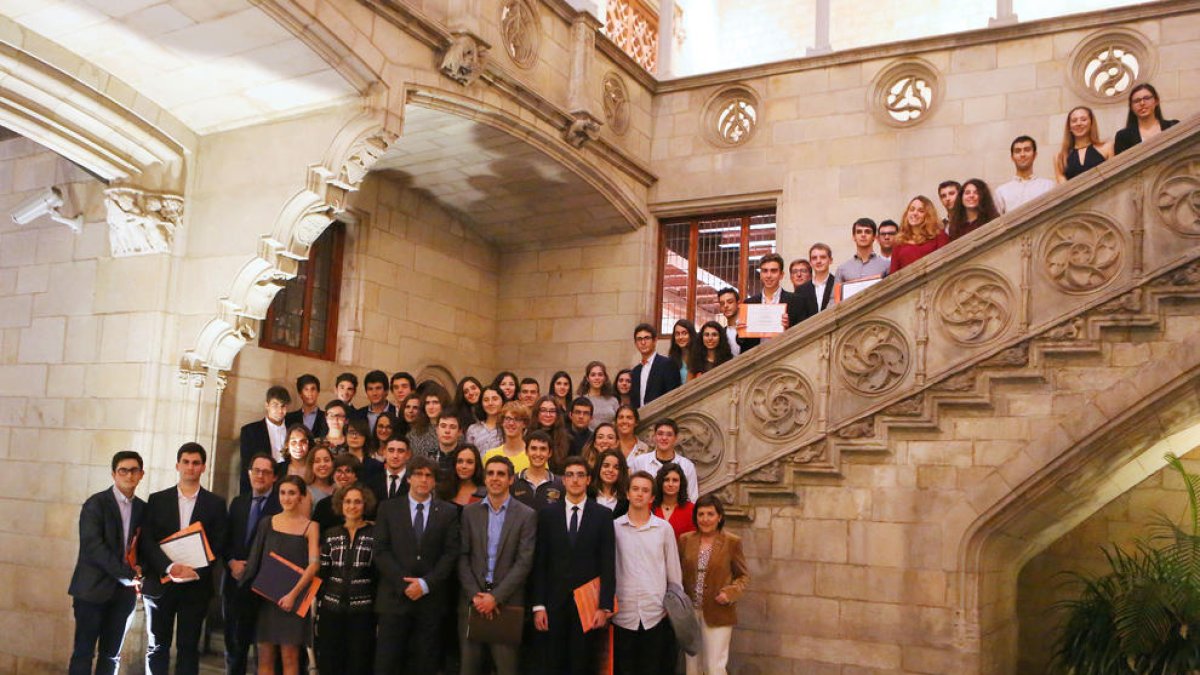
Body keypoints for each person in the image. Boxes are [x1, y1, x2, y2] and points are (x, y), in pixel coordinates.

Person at [142, 444, 231, 675]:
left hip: (196, 586)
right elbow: (147, 541)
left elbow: (218, 543)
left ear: (203, 467)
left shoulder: (216, 504)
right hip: (162, 583)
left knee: (188, 648)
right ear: (177, 465)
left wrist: (197, 571)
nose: (190, 467)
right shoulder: (157, 500)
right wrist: (169, 567)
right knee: (157, 646)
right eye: (186, 462)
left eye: (195, 463)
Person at [373, 455, 462, 674]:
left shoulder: (449, 512)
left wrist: (425, 584)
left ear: (434, 481)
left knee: (425, 664)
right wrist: (403, 584)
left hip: (430, 602)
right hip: (394, 599)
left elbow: (451, 554)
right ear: (409, 479)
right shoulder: (388, 508)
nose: (423, 480)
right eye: (418, 475)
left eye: (428, 476)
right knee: (388, 664)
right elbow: (381, 551)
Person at [531, 456, 616, 675]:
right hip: (553, 604)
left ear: (588, 480)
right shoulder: (548, 514)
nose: (575, 480)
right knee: (553, 664)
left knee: (583, 664)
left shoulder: (603, 515)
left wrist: (604, 606)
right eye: (570, 475)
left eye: (580, 475)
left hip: (587, 605)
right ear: (563, 480)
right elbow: (540, 562)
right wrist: (538, 605)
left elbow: (608, 563)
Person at [457, 456, 538, 675]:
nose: (495, 478)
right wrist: (476, 595)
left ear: (511, 479)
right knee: (469, 669)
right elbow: (462, 557)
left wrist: (495, 597)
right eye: (490, 473)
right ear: (484, 478)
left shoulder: (526, 515)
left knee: (506, 669)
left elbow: (524, 562)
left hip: (507, 604)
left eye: (501, 474)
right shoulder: (469, 513)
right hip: (472, 604)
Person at [68, 451, 146, 675]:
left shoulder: (143, 508)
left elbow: (144, 547)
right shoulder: (96, 504)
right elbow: (94, 548)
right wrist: (127, 573)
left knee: (111, 655)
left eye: (134, 470)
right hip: (91, 591)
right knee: (83, 653)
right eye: (123, 470)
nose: (128, 475)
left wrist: (141, 569)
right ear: (114, 474)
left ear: (141, 474)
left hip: (123, 595)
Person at [241, 476, 320, 675]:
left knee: (290, 657)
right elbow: (256, 560)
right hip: (267, 600)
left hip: (294, 600)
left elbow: (313, 565)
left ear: (302, 497)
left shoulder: (311, 527)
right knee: (265, 656)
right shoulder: (267, 522)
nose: (286, 497)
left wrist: (293, 595)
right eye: (283, 492)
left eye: (292, 493)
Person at [612, 470, 682, 675]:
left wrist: (673, 605)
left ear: (652, 497)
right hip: (623, 614)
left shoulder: (664, 529)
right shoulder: (614, 527)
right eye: (635, 489)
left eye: (645, 490)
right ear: (627, 493)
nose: (639, 494)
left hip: (655, 613)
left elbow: (673, 571)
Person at [222, 454, 281, 675]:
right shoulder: (238, 502)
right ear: (249, 473)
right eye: (256, 470)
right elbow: (225, 539)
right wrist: (231, 562)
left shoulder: (280, 506)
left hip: (264, 586)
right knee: (234, 643)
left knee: (263, 649)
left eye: (266, 472)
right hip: (235, 582)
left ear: (275, 477)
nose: (260, 476)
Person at [679, 495, 749, 675]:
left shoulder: (732, 542)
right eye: (701, 514)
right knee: (692, 666)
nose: (705, 519)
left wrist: (730, 593)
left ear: (719, 517)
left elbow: (743, 576)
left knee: (714, 666)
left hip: (718, 611)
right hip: (690, 612)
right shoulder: (685, 540)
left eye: (710, 514)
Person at [316, 484, 378, 675]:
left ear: (365, 505)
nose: (352, 506)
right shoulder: (331, 534)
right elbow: (323, 573)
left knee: (359, 663)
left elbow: (377, 574)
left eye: (357, 502)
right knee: (330, 662)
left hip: (363, 611)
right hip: (331, 609)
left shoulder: (375, 534)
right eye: (348, 501)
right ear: (340, 505)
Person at [741, 254, 808, 351]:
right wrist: (740, 331)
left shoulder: (797, 301)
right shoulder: (749, 303)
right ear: (760, 275)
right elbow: (742, 343)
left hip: (784, 356)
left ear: (781, 275)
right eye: (765, 271)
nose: (768, 275)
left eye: (773, 271)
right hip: (756, 359)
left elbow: (803, 336)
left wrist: (788, 327)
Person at [628, 419, 700, 502]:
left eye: (669, 435)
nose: (664, 438)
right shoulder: (640, 462)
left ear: (675, 438)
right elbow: (632, 494)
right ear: (654, 436)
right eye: (660, 434)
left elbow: (692, 499)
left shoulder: (687, 466)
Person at [239, 385, 290, 493]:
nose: (280, 410)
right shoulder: (250, 431)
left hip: (287, 485)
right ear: (267, 405)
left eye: (283, 406)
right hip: (260, 484)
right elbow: (247, 466)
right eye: (275, 405)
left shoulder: (293, 429)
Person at [888, 195, 950, 273]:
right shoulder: (899, 241)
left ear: (928, 215)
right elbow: (893, 274)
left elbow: (945, 265)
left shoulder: (939, 236)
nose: (915, 213)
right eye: (912, 209)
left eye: (921, 211)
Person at [994, 136, 1055, 214]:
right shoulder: (1001, 192)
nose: (1022, 154)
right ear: (1012, 157)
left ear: (1035, 155)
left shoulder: (1048, 186)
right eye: (1017, 151)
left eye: (1027, 150)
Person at [1115, 83, 1178, 155]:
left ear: (1156, 101)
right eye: (1137, 101)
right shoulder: (1123, 136)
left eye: (1146, 98)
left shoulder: (1172, 126)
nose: (1142, 103)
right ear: (1131, 107)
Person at [630, 323, 683, 408]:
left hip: (661, 417)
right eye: (639, 339)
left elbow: (673, 395)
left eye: (647, 338)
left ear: (655, 340)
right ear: (635, 343)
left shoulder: (668, 364)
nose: (643, 342)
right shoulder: (635, 372)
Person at [1055, 105, 1112, 182]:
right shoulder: (1060, 157)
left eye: (1083, 119)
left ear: (1091, 123)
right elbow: (1062, 187)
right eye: (1074, 120)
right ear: (1069, 127)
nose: (1078, 123)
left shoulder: (1107, 148)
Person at [513, 430, 564, 510]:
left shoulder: (560, 484)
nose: (538, 454)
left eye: (543, 449)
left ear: (549, 453)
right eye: (533, 448)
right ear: (526, 451)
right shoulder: (513, 481)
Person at [314, 454, 365, 531]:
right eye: (339, 471)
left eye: (348, 471)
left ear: (356, 476)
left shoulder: (364, 502)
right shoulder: (323, 505)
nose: (342, 475)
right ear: (333, 475)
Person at [834, 219, 890, 285]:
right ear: (854, 237)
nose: (863, 235)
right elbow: (836, 294)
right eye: (859, 232)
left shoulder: (887, 266)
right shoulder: (842, 269)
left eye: (867, 232)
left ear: (874, 237)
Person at [529, 394, 572, 473]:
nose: (548, 415)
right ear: (537, 413)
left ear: (557, 414)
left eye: (552, 411)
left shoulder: (568, 440)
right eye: (543, 410)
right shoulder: (527, 436)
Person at [485, 401, 531, 474]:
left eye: (516, 419)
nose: (511, 423)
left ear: (524, 424)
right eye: (507, 418)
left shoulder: (533, 456)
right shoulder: (490, 455)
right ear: (502, 422)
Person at [652, 463, 695, 540]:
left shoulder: (691, 509)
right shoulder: (649, 507)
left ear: (681, 484)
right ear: (660, 482)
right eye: (666, 480)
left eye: (675, 480)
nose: (670, 484)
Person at [408, 387, 450, 460]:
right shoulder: (415, 432)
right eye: (427, 403)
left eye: (435, 402)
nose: (430, 407)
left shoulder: (453, 430)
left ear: (444, 405)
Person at [370, 437, 412, 503]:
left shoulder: (414, 483)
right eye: (391, 450)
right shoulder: (372, 482)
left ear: (408, 455)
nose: (395, 456)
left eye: (400, 451)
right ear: (384, 453)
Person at [578, 361, 620, 428]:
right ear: (587, 378)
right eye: (593, 375)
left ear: (605, 377)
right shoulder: (581, 400)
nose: (597, 378)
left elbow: (619, 421)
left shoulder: (613, 400)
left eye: (600, 374)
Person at [284, 374, 327, 438]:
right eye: (306, 389)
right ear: (300, 394)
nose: (310, 393)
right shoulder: (289, 418)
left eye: (313, 389)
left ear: (318, 392)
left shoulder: (327, 417)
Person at [796, 243, 834, 314]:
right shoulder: (800, 290)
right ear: (810, 262)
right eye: (814, 258)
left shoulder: (838, 285)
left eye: (823, 257)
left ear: (830, 260)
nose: (818, 261)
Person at [466, 385, 505, 453]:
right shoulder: (473, 429)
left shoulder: (508, 427)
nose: (490, 403)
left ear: (502, 401)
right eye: (486, 400)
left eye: (495, 399)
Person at [592, 449, 630, 517]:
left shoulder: (627, 500)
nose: (610, 470)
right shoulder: (586, 494)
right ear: (599, 467)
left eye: (616, 467)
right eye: (606, 466)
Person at [715, 287, 747, 357]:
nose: (726, 306)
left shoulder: (748, 329)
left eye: (730, 302)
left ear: (738, 303)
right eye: (722, 303)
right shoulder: (721, 334)